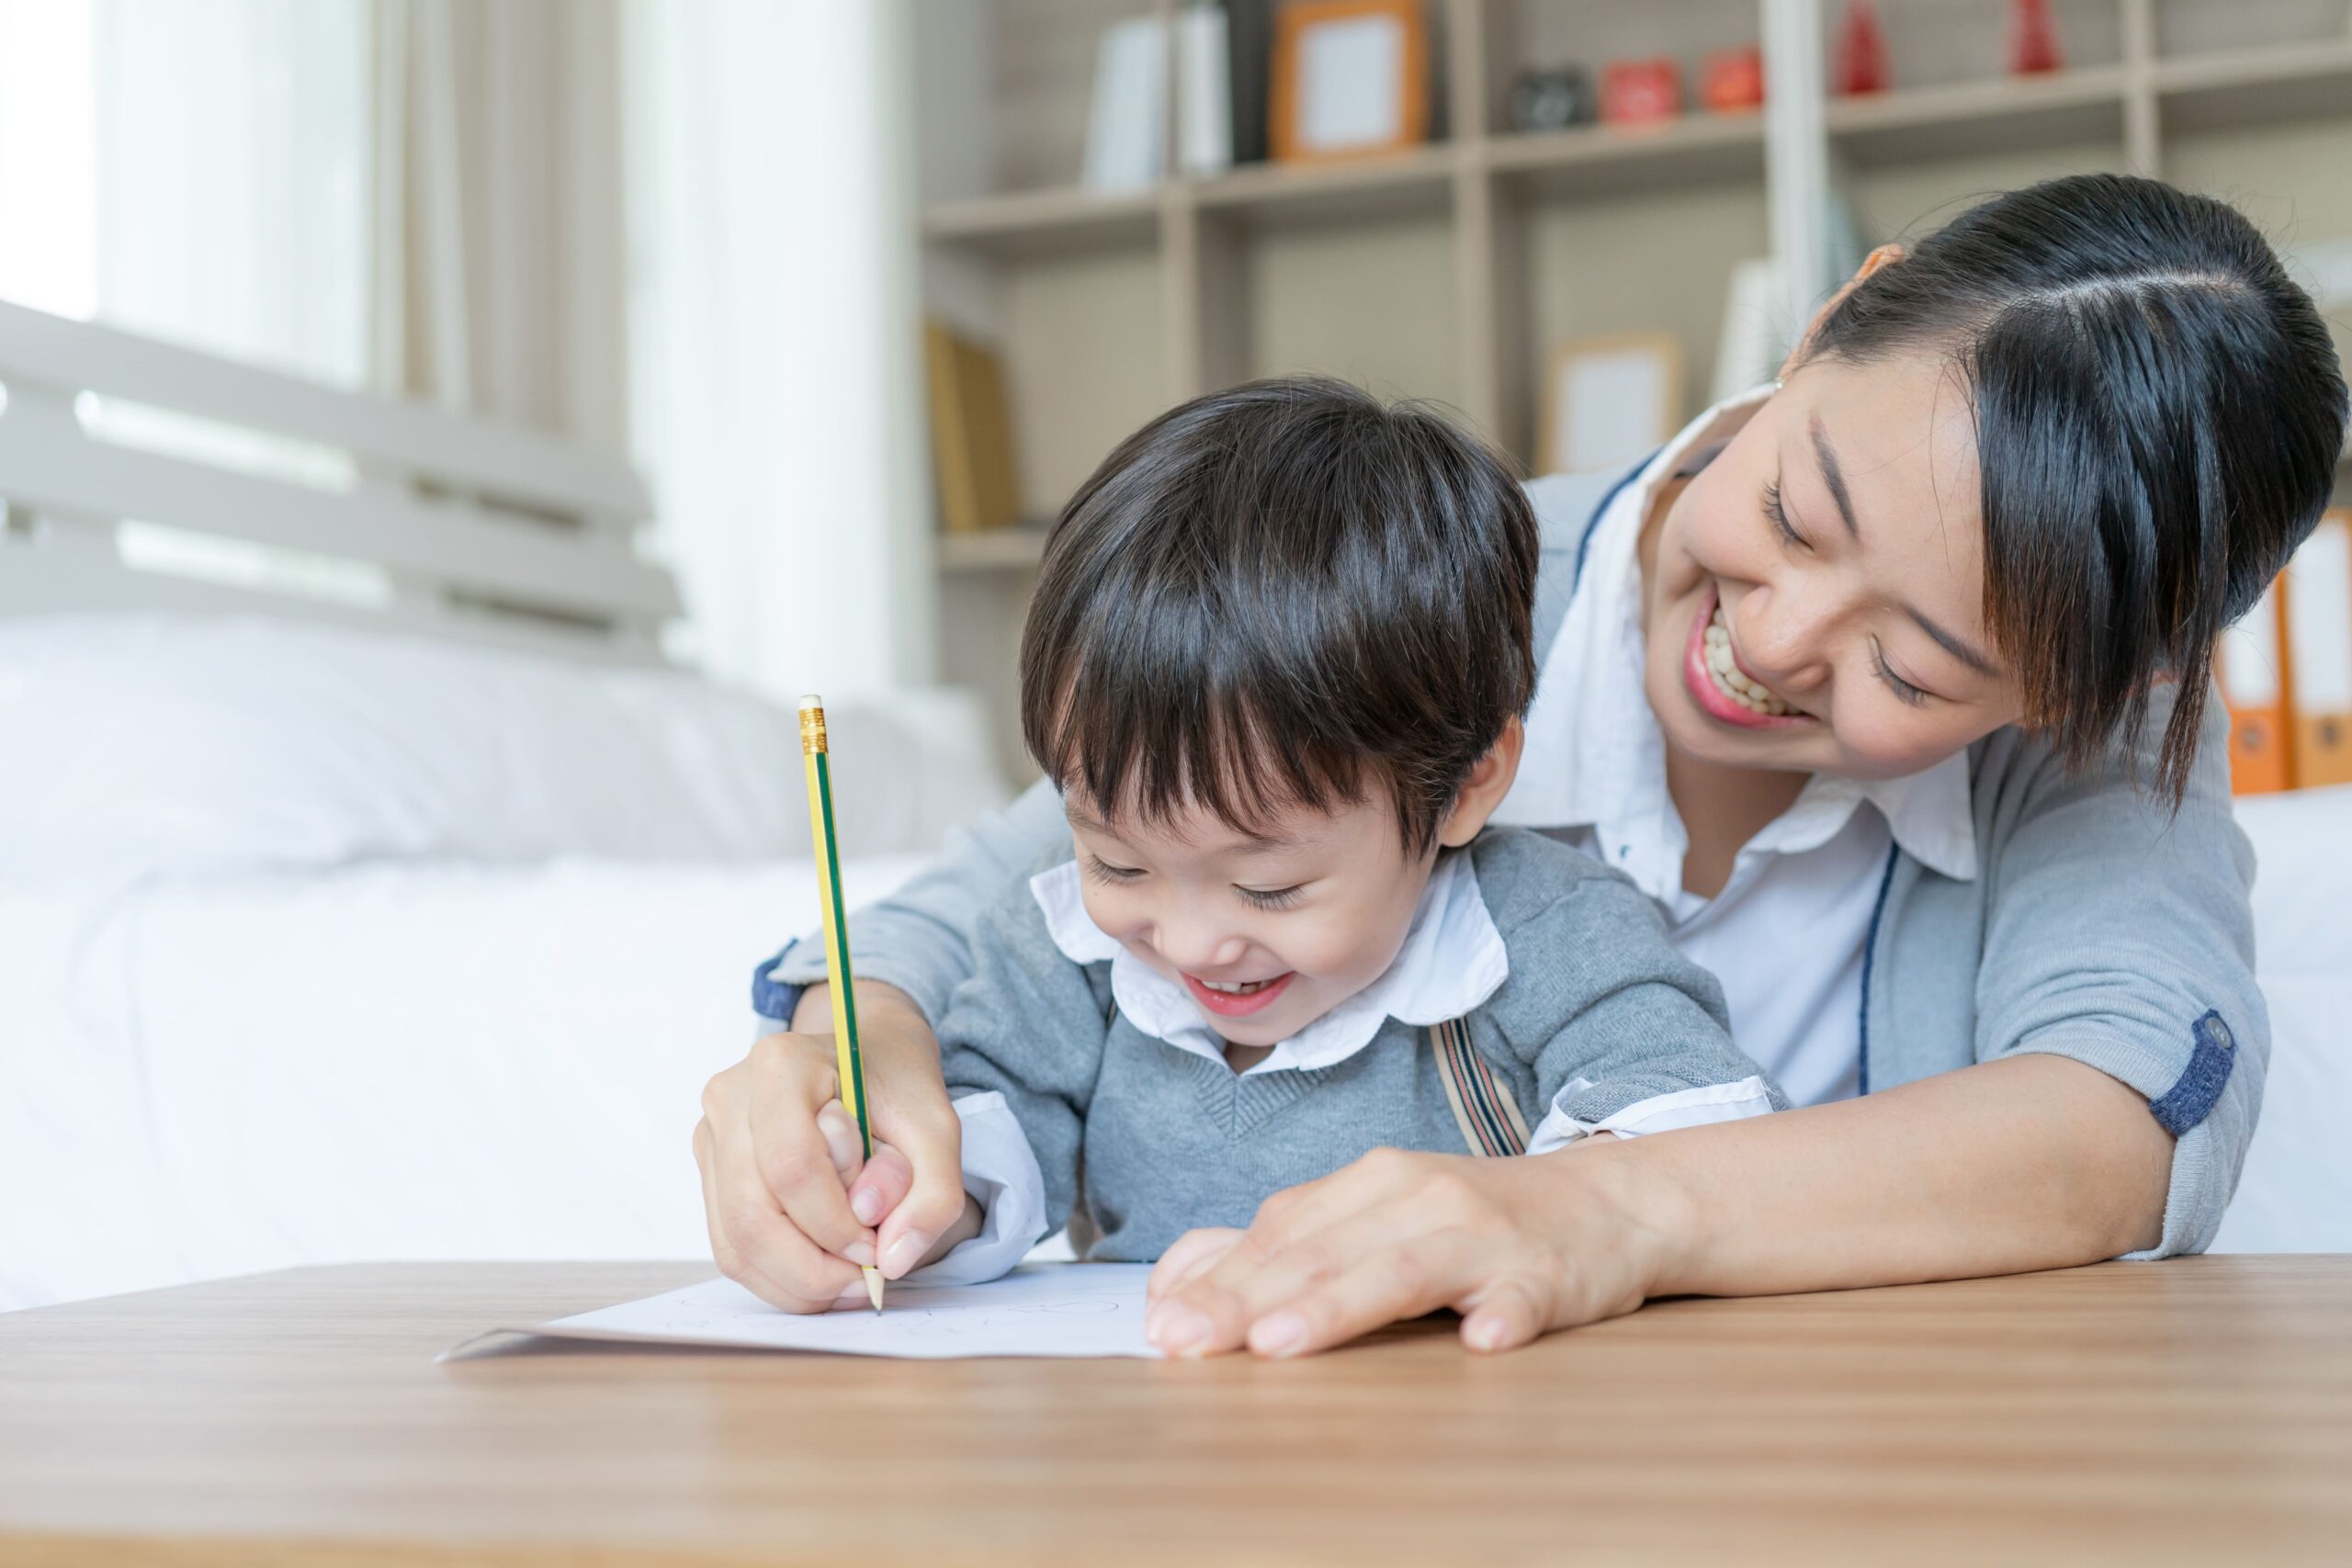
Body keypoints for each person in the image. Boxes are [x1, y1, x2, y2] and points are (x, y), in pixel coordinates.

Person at [695, 173, 2348, 1357]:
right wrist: (855, 1059)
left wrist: (1609, 1209)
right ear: (1843, 307)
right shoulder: (1457, 591)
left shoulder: (2095, 735)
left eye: (1911, 664)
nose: (1773, 643)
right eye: (1788, 510)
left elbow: (2121, 1120)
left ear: (2089, 677)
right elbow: (1018, 884)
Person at [854, 378, 1778, 1292]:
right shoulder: (1062, 945)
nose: (1187, 941)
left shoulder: (1547, 933)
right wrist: (909, 1197)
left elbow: (1693, 1132)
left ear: (1465, 783)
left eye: (1268, 888)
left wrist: (1561, 1201)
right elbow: (986, 1129)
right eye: (1119, 861)